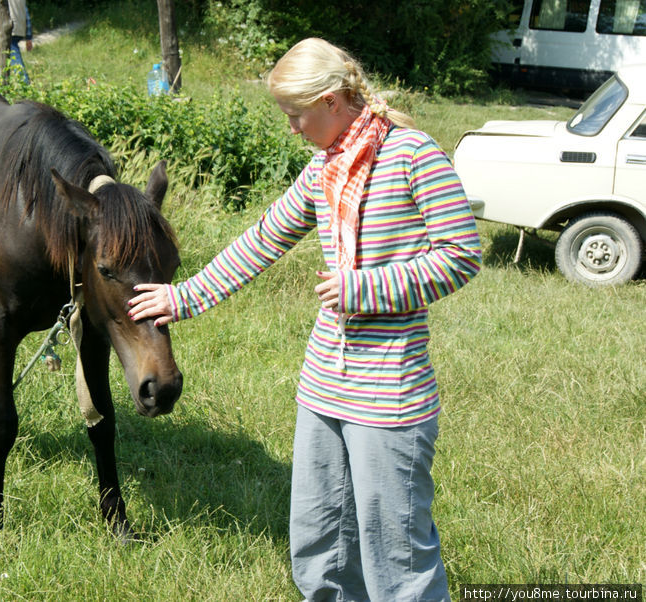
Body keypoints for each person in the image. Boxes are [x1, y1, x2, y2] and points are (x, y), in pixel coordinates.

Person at [128, 38, 482, 601]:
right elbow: (264, 239)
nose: (291, 128)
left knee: (397, 559)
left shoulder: (414, 155)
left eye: (296, 114)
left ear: (332, 100)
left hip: (389, 395)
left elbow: (462, 255)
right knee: (320, 544)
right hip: (324, 387)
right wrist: (183, 297)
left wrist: (364, 288)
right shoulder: (324, 168)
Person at [0, 0, 33, 84]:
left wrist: (1, 25)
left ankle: (26, 84)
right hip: (20, 29)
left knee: (15, 58)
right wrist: (28, 36)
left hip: (8, 29)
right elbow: (26, 15)